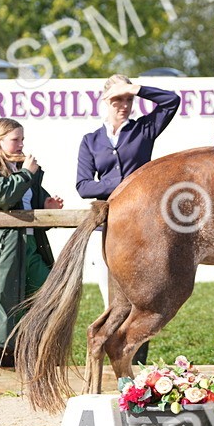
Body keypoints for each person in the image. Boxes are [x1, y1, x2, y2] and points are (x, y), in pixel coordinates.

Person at [0, 118, 63, 367]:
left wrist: (47, 207)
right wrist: (27, 173)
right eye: (15, 139)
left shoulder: (22, 170)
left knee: (48, 293)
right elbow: (0, 196)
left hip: (28, 245)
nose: (20, 144)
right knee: (1, 305)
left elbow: (30, 203)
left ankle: (34, 351)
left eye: (22, 139)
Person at [76, 75, 181, 308]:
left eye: (128, 99)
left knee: (142, 300)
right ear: (105, 101)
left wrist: (137, 89)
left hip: (142, 222)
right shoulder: (91, 140)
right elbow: (83, 186)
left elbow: (172, 101)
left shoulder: (144, 129)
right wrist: (125, 184)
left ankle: (138, 344)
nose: (124, 106)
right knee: (110, 301)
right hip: (108, 222)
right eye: (117, 100)